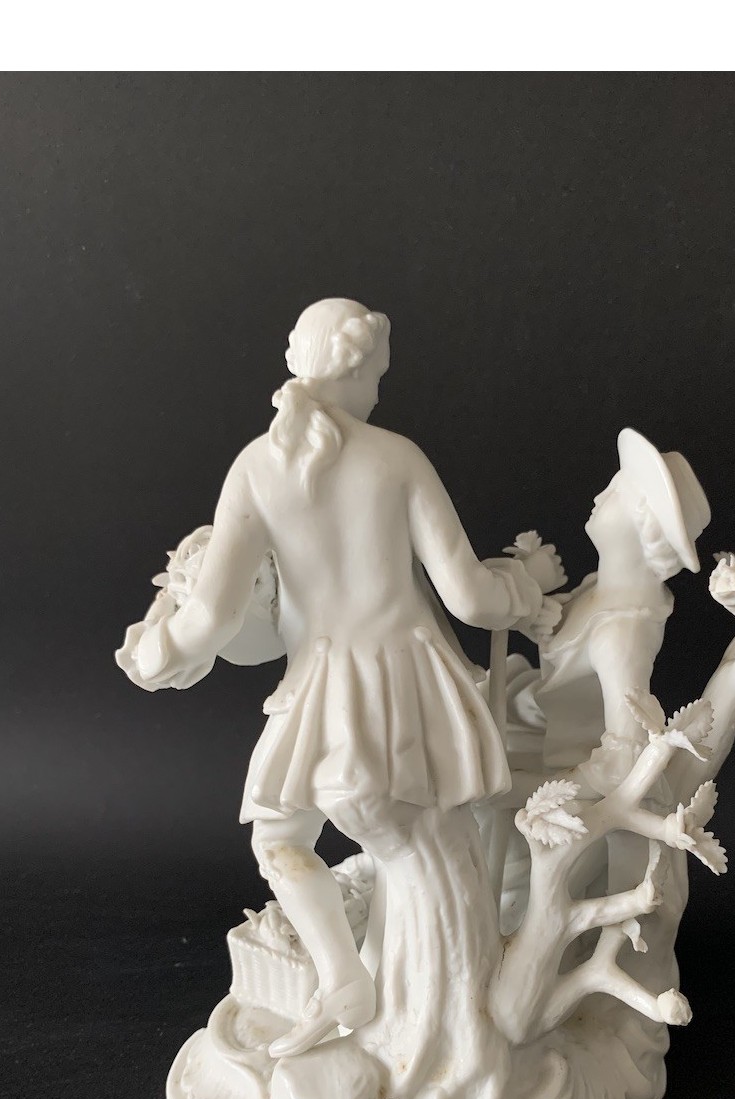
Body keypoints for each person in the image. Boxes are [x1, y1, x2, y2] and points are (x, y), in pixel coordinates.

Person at [116, 298, 550, 1055]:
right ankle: (373, 987)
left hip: (324, 687)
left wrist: (153, 653)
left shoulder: (257, 467)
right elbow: (471, 599)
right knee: (403, 836)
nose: (378, 394)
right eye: (377, 377)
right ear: (352, 371)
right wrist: (527, 586)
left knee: (282, 837)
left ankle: (349, 974)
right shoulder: (398, 457)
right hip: (413, 687)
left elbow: (212, 618)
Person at [534, 428, 710, 788]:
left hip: (566, 778)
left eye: (615, 491)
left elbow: (621, 765)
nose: (599, 496)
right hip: (537, 734)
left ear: (646, 527)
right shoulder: (597, 589)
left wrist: (518, 790)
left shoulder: (622, 635)